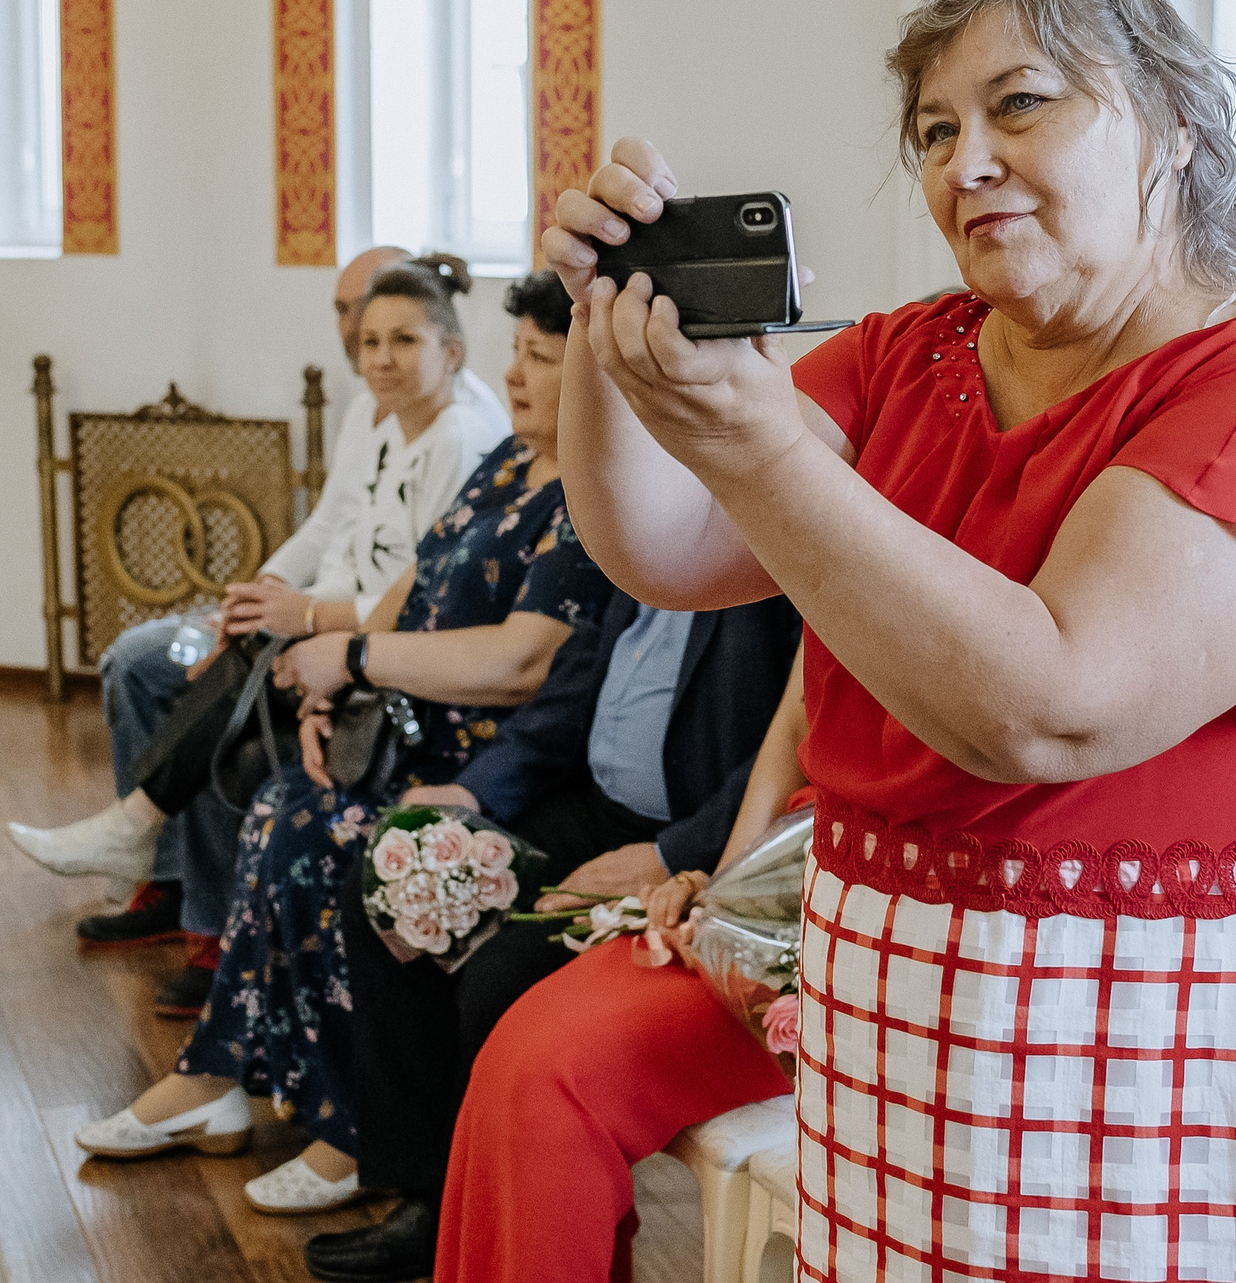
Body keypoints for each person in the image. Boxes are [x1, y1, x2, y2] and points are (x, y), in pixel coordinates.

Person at [536, 0, 1236, 1281]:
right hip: (892, 991)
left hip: (1137, 1038)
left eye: (1021, 104)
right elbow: (666, 544)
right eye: (936, 128)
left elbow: (1052, 710)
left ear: (1170, 125)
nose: (965, 160)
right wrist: (609, 337)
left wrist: (757, 444)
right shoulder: (906, 356)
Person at [68, 274, 619, 1217]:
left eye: (537, 354)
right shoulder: (507, 465)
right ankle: (224, 1080)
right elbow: (420, 570)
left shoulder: (591, 497)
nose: (512, 372)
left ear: (594, 373)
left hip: (490, 764)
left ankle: (348, 1120)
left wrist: (355, 651)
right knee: (285, 803)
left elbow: (524, 662)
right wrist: (344, 678)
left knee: (317, 832)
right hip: (409, 724)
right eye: (517, 349)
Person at [8, 252, 507, 1012]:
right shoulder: (372, 411)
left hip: (345, 630)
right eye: (359, 328)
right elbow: (328, 529)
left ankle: (183, 895)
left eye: (397, 337)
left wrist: (297, 616)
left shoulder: (459, 436)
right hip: (309, 604)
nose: (369, 350)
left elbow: (415, 593)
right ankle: (164, 879)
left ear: (449, 346)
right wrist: (253, 595)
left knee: (199, 687)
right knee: (138, 659)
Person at [297, 603, 801, 1283]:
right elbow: (568, 695)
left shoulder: (756, 561)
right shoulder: (638, 545)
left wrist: (670, 854)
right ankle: (425, 1192)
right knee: (395, 878)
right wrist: (474, 791)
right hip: (592, 809)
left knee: (501, 975)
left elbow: (783, 746)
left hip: (688, 835)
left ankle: (488, 1218)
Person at [431, 668, 812, 1283]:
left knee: (553, 1081)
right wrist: (725, 896)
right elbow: (794, 727)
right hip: (777, 889)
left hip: (874, 925)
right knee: (522, 1049)